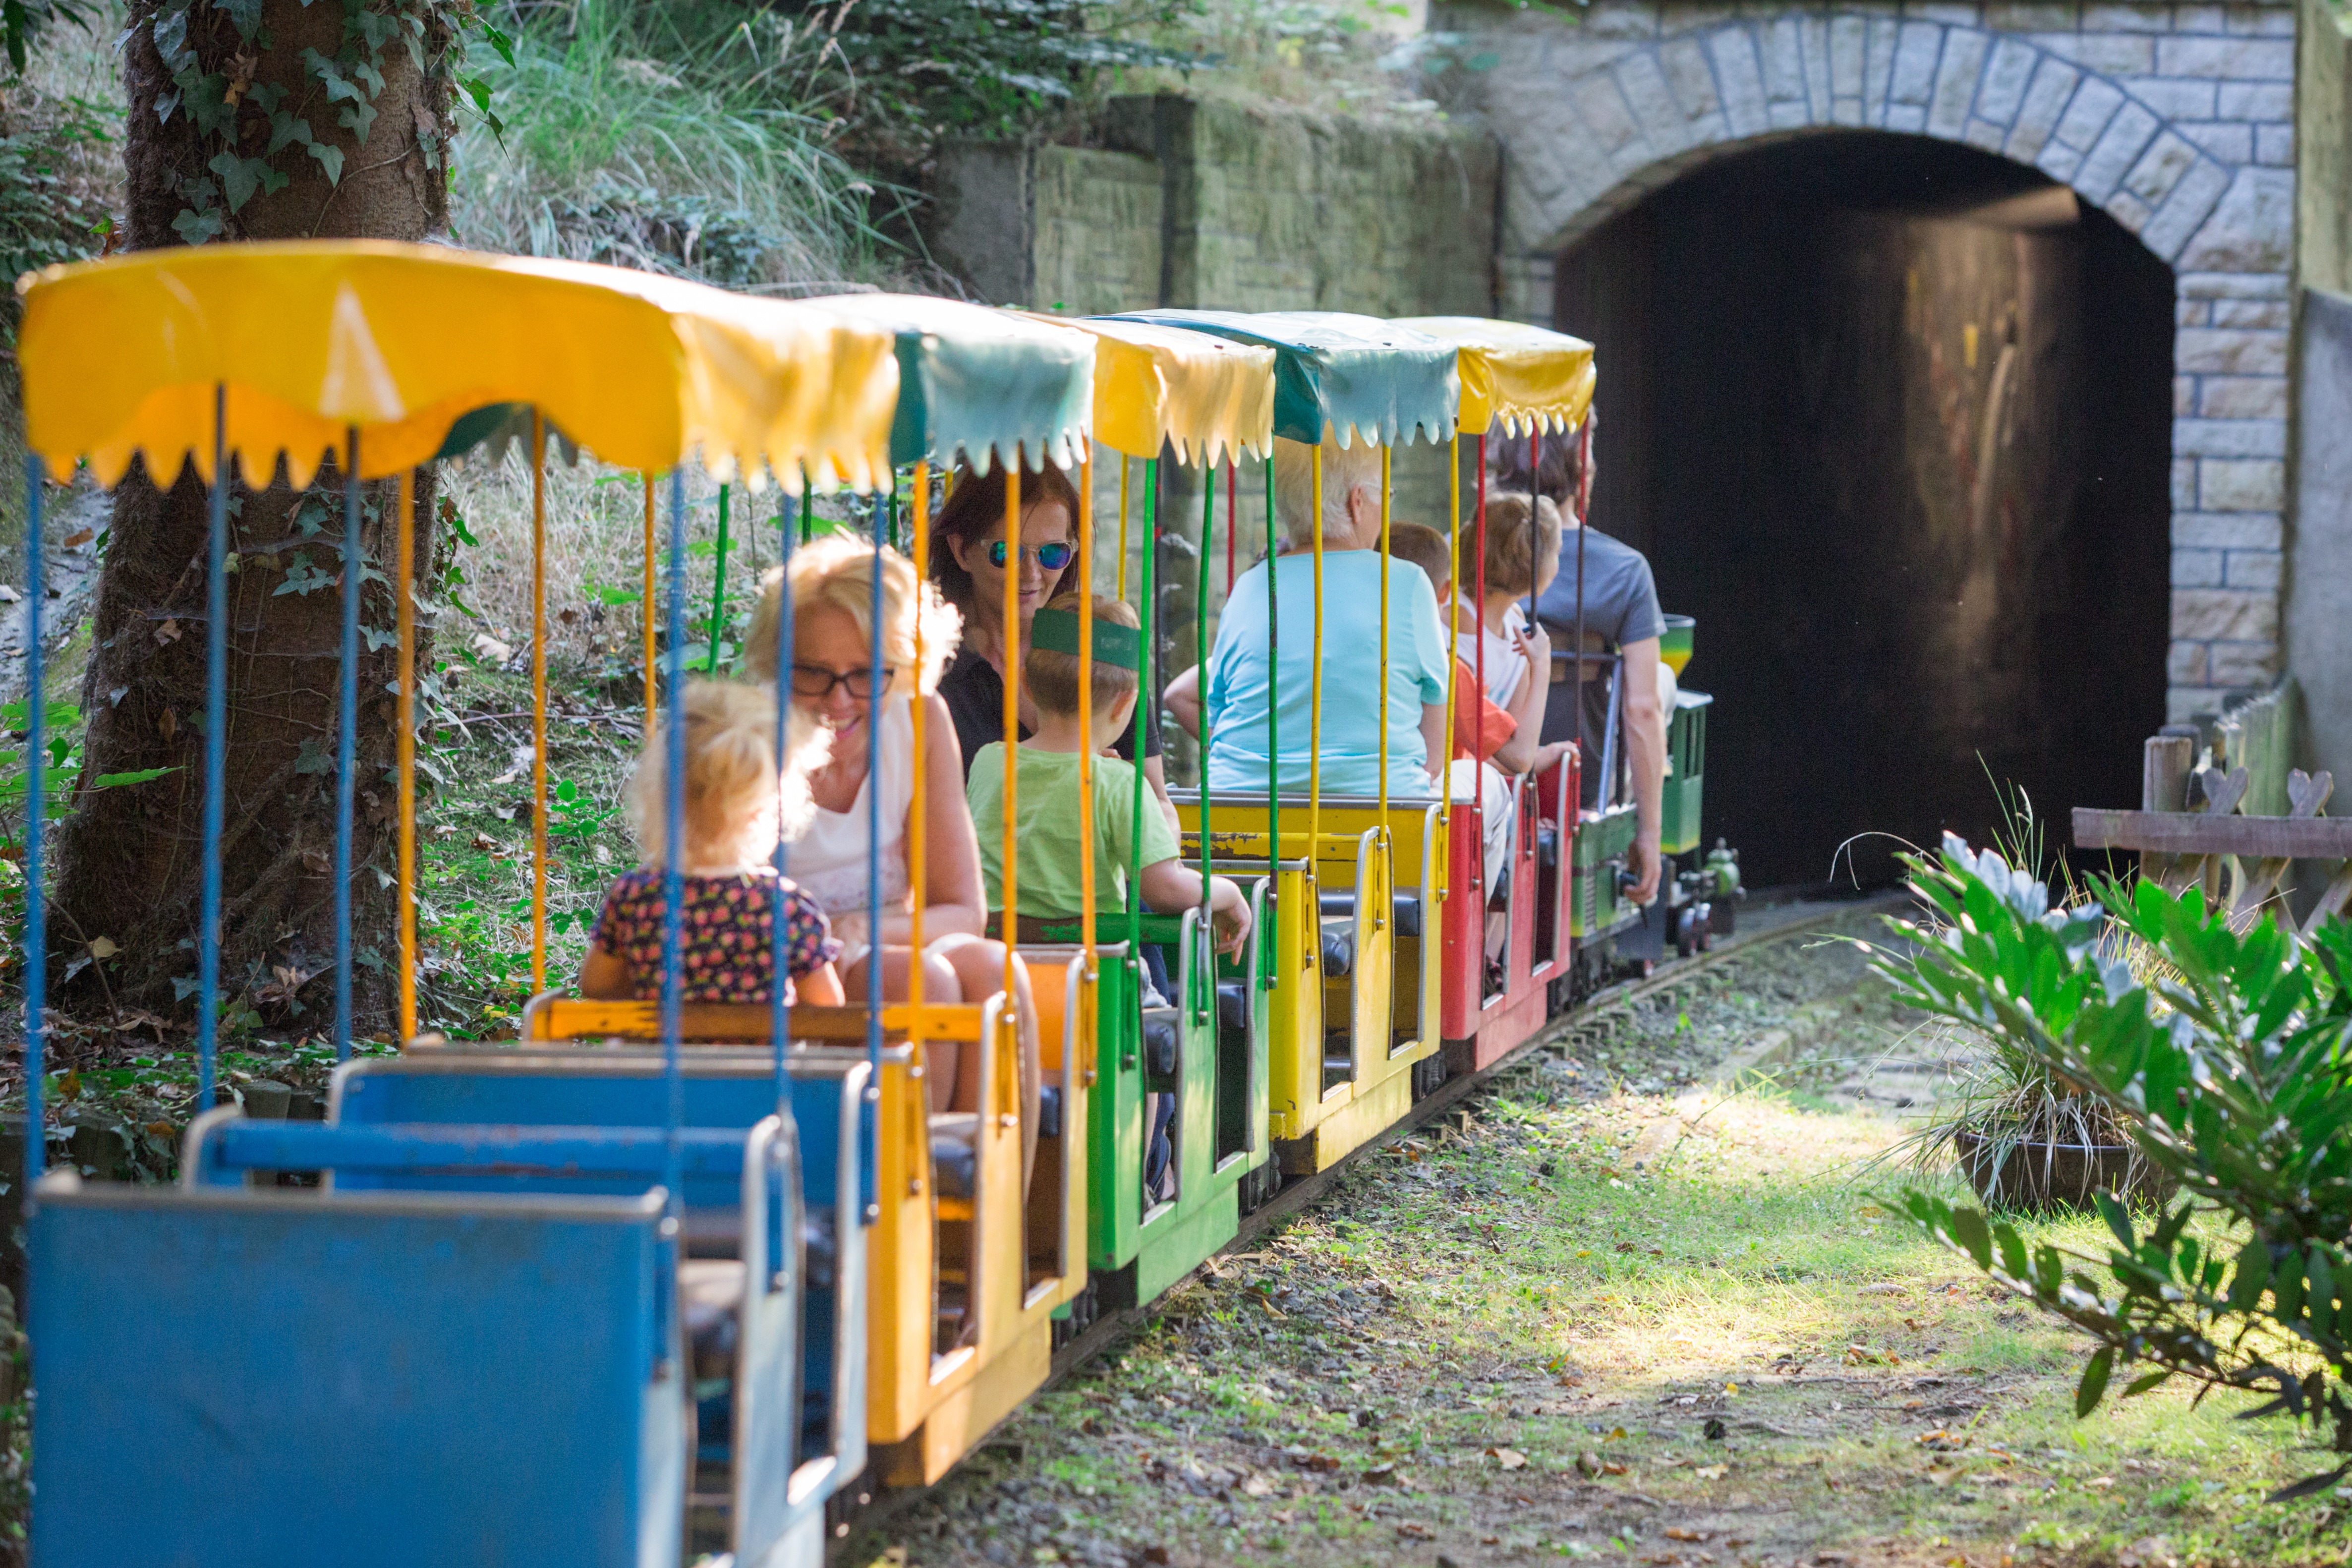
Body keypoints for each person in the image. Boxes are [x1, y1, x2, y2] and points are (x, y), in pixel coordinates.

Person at [743, 536, 1041, 1187]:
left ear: (904, 668)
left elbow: (964, 907)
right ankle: (898, 1213)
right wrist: (834, 945)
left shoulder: (920, 719)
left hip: (882, 937)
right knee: (917, 982)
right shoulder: (748, 736)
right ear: (779, 664)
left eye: (865, 674)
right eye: (813, 671)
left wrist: (863, 933)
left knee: (998, 971)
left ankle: (990, 1223)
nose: (838, 699)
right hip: (783, 960)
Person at [966, 594, 1252, 955]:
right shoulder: (1120, 784)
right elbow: (1165, 891)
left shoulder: (989, 763)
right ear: (1124, 704)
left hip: (1000, 966)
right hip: (1093, 976)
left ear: (1025, 684)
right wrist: (1229, 892)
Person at [929, 460, 1181, 836]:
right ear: (962, 550)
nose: (1031, 574)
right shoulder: (927, 669)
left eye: (1052, 554)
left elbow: (1160, 803)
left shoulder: (1102, 647)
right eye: (1006, 552)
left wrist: (1123, 794)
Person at [1200, 436, 1451, 798]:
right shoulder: (1407, 583)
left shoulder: (1250, 585)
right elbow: (1433, 755)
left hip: (1242, 805)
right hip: (1376, 814)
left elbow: (1216, 710)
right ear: (1358, 501)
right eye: (1386, 496)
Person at [581, 680, 844, 1006]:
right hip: (757, 1060)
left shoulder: (634, 897)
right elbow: (827, 1006)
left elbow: (596, 985)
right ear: (765, 810)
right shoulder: (787, 908)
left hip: (660, 1058)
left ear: (660, 795)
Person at [1493, 426, 1666, 906]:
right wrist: (1650, 834)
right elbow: (1642, 711)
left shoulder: (1461, 552)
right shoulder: (1624, 570)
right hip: (1580, 775)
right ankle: (1626, 806)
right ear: (1580, 467)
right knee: (1662, 685)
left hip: (1487, 761)